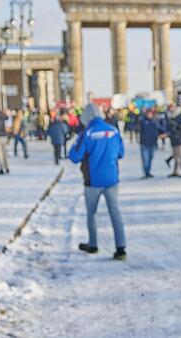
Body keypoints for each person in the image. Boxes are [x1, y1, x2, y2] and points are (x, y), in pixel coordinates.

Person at [68, 104, 127, 261]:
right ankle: (121, 248)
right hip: (111, 178)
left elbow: (74, 156)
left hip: (92, 180)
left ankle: (93, 244)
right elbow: (121, 153)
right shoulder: (114, 130)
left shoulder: (87, 133)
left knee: (91, 214)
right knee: (115, 213)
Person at [138, 109, 165, 178]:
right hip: (144, 143)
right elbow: (138, 128)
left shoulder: (155, 122)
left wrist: (163, 134)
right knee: (145, 159)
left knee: (150, 159)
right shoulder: (143, 122)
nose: (149, 115)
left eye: (151, 114)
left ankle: (148, 172)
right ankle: (146, 173)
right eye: (148, 114)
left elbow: (162, 129)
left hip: (152, 143)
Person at [166, 104, 181, 178]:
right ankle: (176, 171)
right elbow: (168, 127)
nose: (171, 109)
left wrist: (177, 126)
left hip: (180, 138)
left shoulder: (180, 115)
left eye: (172, 107)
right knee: (176, 156)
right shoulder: (169, 117)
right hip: (173, 139)